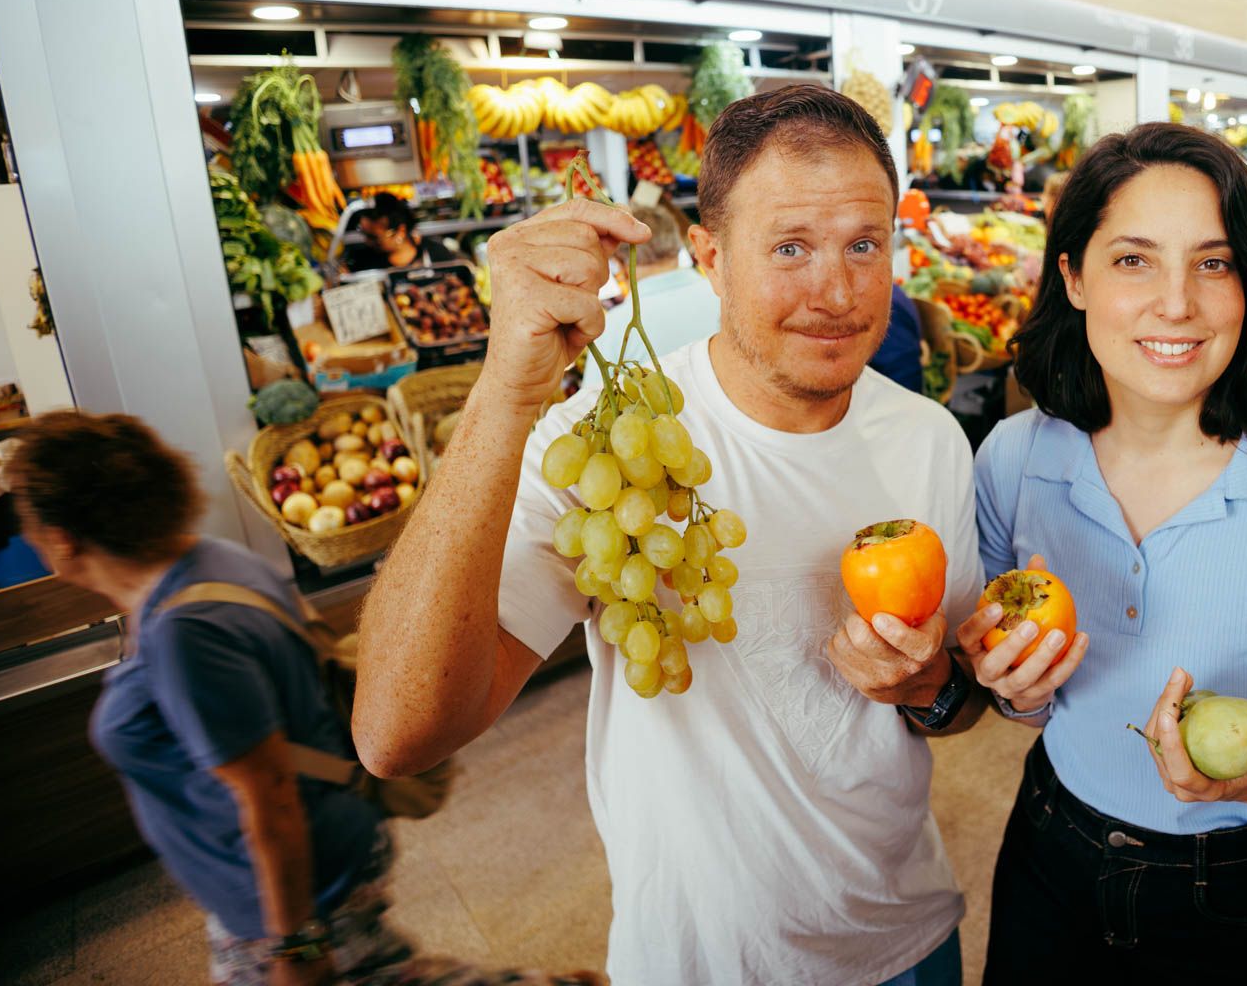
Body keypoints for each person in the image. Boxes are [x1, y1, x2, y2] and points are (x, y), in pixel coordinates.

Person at [353, 84, 983, 986]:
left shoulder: (930, 440)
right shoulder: (608, 446)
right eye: (791, 247)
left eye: (864, 244)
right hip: (698, 962)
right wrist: (504, 388)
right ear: (708, 259)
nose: (837, 292)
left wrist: (928, 684)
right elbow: (396, 734)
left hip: (908, 945)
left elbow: (953, 706)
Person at [960, 123, 1247, 980]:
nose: (1176, 303)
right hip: (1048, 854)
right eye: (1133, 259)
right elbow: (1027, 707)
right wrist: (1014, 692)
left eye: (1213, 263)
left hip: (1246, 892)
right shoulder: (1014, 459)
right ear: (1071, 276)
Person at [7, 412, 591, 986]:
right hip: (318, 847)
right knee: (384, 972)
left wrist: (294, 941)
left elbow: (268, 796)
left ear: (60, 539)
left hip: (296, 881)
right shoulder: (210, 560)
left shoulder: (184, 633)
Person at [590, 202, 720, 362]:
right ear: (678, 245)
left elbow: (598, 387)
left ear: (618, 262)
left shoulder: (614, 327)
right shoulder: (722, 295)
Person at [343, 195, 438, 273]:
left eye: (374, 237)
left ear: (400, 232)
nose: (368, 242)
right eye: (365, 235)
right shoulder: (361, 262)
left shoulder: (436, 254)